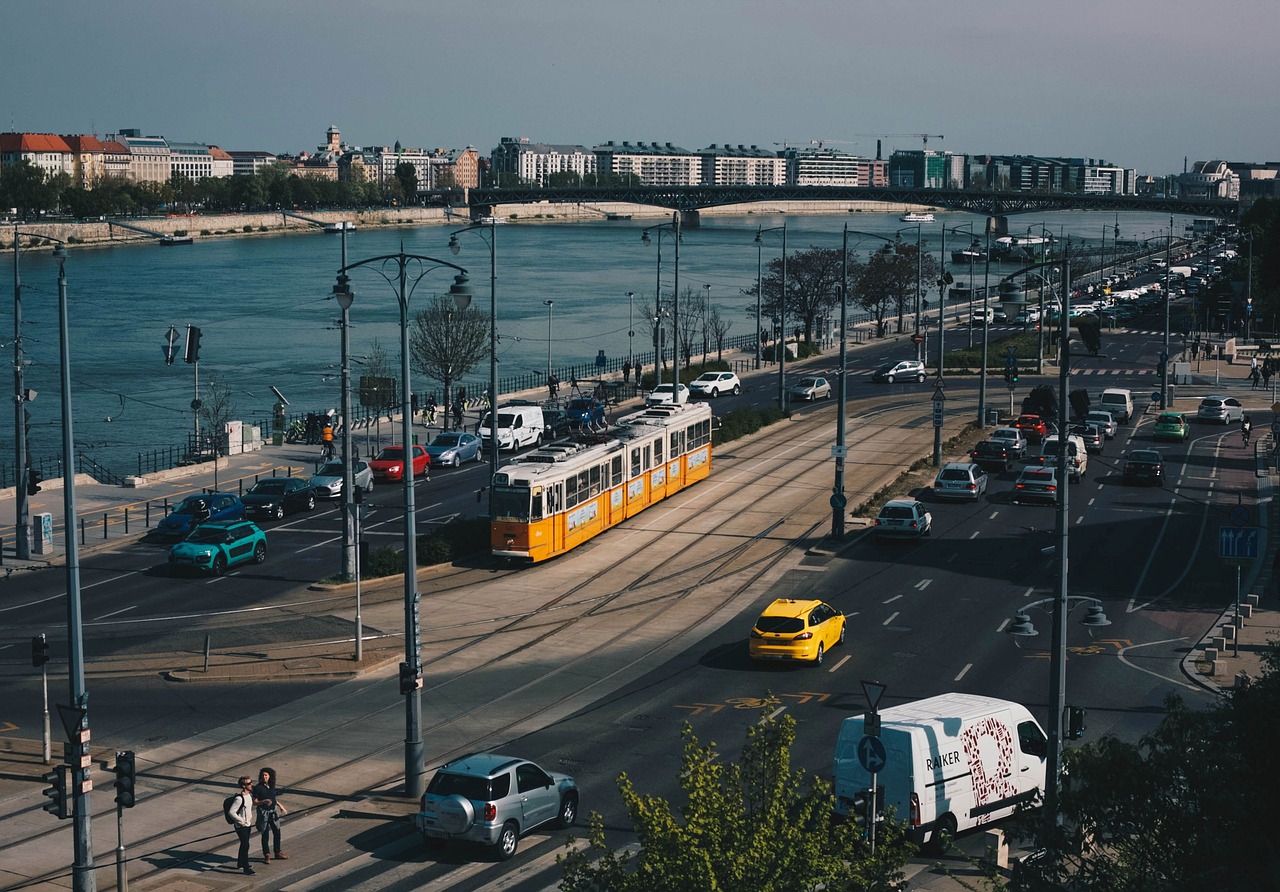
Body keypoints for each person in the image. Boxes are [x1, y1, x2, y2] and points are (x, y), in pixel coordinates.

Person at [252, 767, 288, 863]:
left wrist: (281, 806)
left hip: (273, 812)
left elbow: (274, 798)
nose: (264, 777)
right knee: (265, 834)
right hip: (264, 813)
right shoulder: (258, 788)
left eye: (266, 775)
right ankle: (266, 854)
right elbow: (254, 802)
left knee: (277, 832)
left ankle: (277, 852)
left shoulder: (271, 786)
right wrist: (263, 801)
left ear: (269, 776)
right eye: (263, 775)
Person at [231, 776, 256, 876]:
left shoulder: (249, 795)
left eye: (251, 782)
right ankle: (246, 868)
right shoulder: (239, 798)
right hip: (241, 826)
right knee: (246, 845)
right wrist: (242, 821)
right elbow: (231, 812)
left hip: (248, 825)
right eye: (249, 783)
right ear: (243, 786)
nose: (251, 785)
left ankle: (240, 863)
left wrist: (250, 818)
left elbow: (248, 809)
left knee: (244, 844)